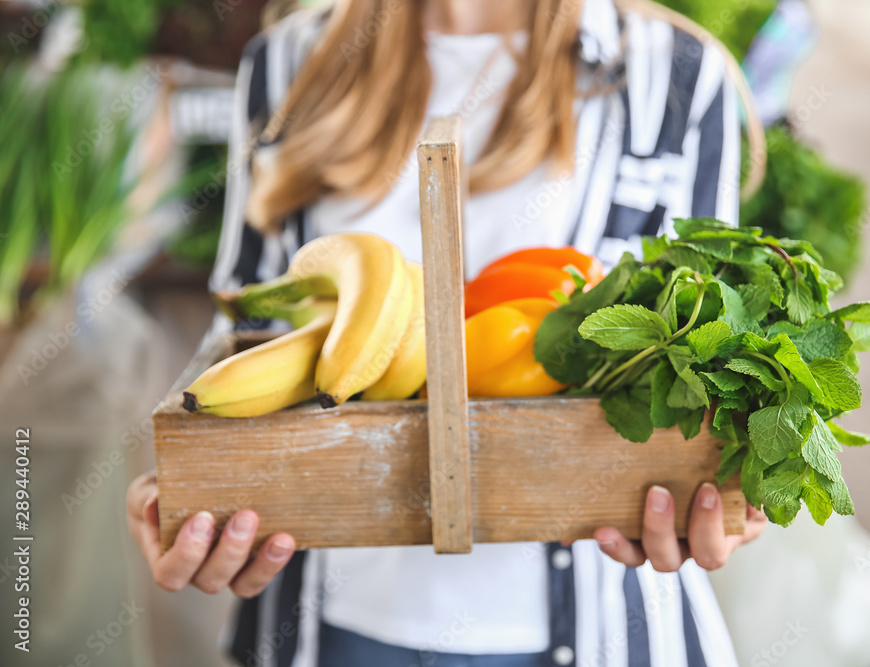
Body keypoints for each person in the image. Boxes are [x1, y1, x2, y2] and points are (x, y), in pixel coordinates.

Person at [127, 0, 768, 664]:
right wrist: (192, 482)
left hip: (604, 624)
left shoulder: (677, 78)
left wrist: (716, 500)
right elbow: (256, 326)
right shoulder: (288, 60)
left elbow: (697, 362)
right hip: (330, 626)